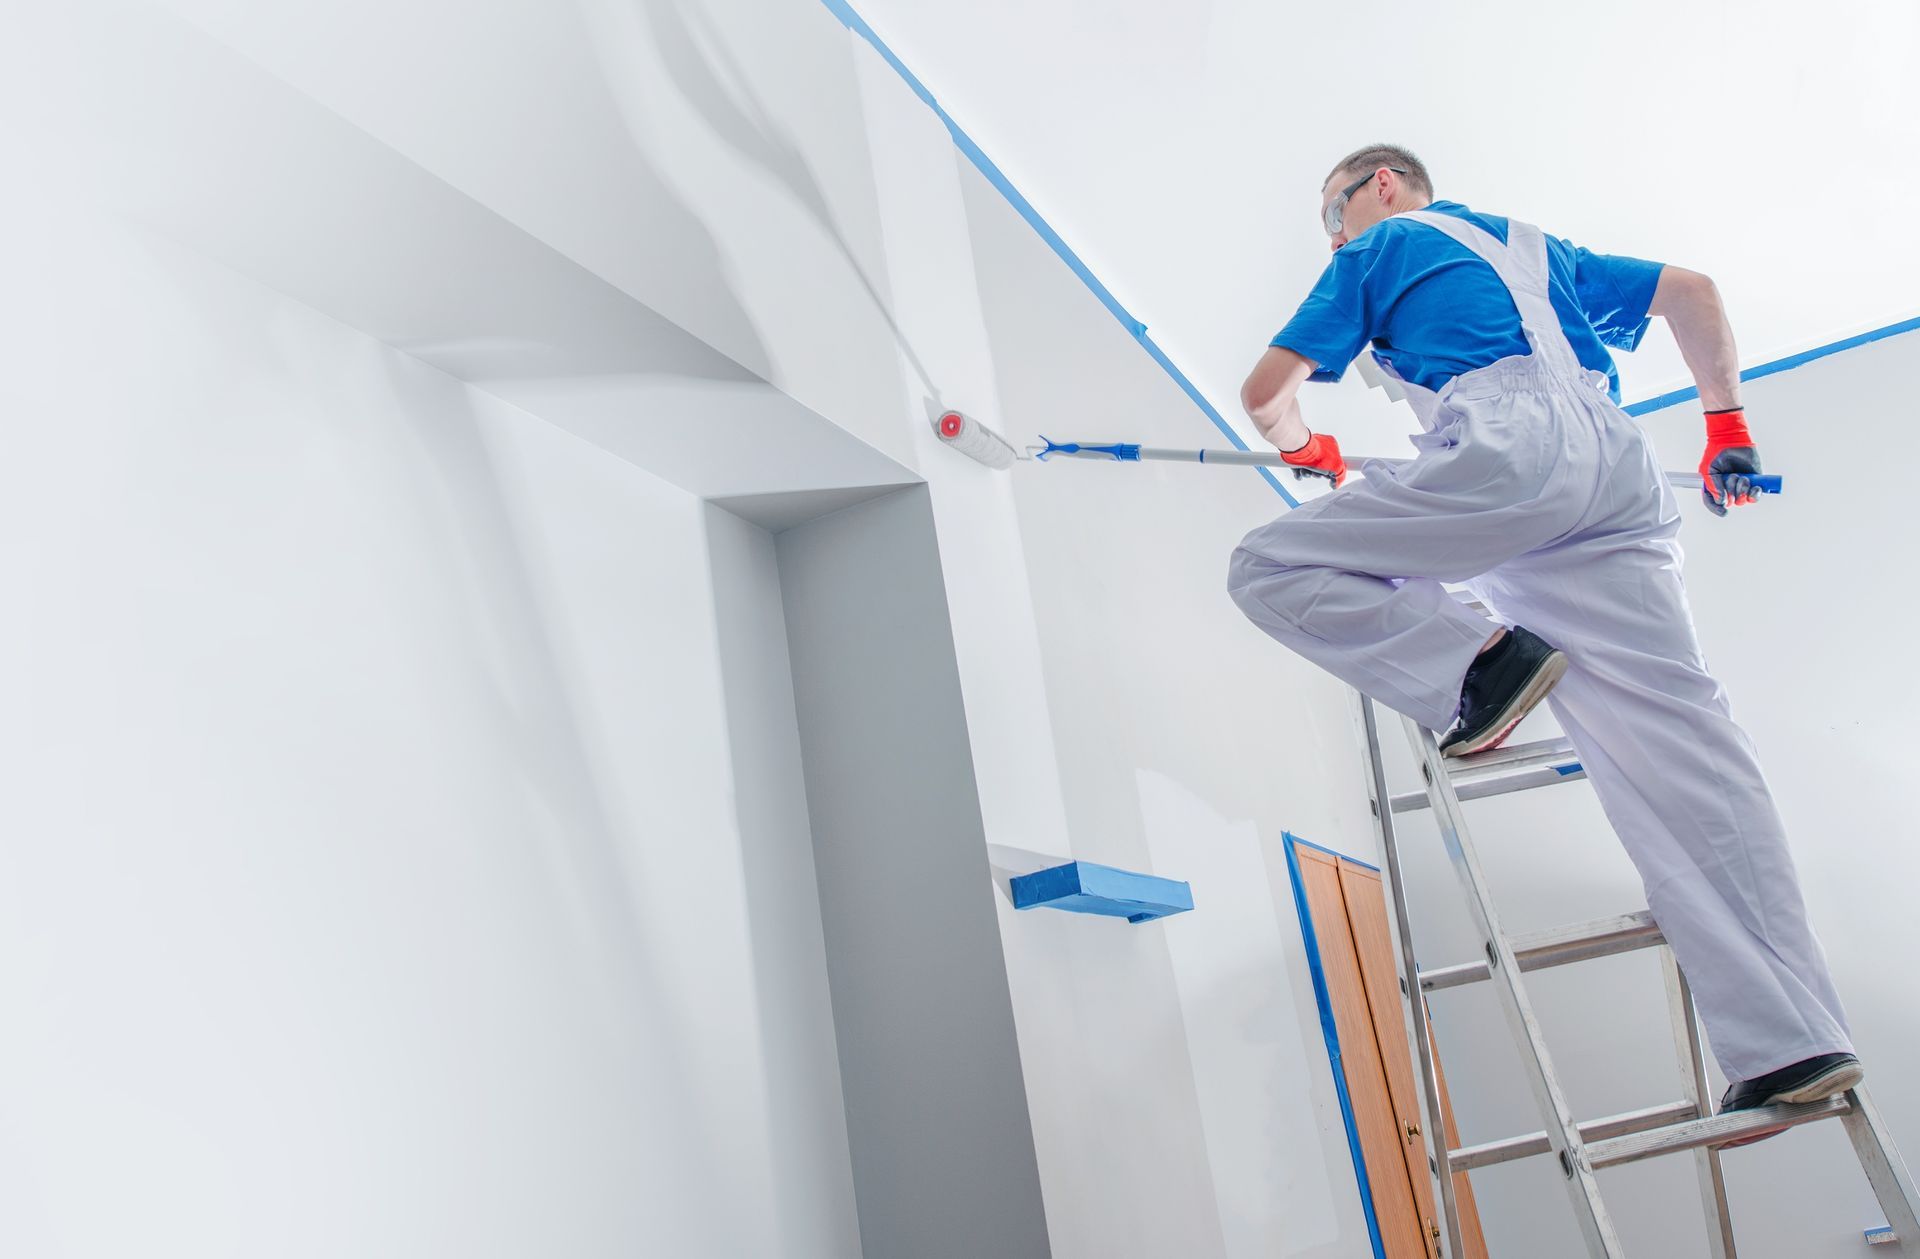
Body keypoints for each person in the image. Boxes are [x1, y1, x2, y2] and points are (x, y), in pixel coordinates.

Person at [1225, 143, 1858, 1128]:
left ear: (1378, 186)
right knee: (1686, 749)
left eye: (1332, 213)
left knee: (1270, 565)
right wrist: (1726, 425)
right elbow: (1692, 292)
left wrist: (1304, 447)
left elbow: (1266, 390)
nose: (1335, 233)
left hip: (1508, 460)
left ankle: (1484, 663)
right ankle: (1794, 1037)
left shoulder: (1381, 241)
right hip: (1616, 471)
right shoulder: (1535, 246)